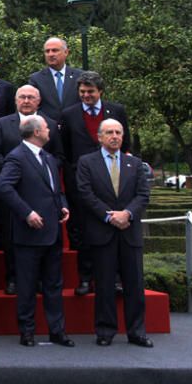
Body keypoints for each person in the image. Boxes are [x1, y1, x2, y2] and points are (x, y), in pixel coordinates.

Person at [0, 115, 75, 348]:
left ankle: (57, 331)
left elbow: (55, 189)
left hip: (53, 232)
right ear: (36, 132)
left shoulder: (49, 158)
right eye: (47, 128)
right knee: (27, 286)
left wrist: (63, 204)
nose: (50, 131)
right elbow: (4, 187)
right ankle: (27, 332)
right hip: (28, 234)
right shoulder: (16, 157)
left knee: (53, 285)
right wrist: (26, 212)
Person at [75, 119, 153, 348]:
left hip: (130, 231)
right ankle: (105, 331)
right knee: (105, 284)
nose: (115, 136)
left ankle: (137, 332)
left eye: (118, 132)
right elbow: (85, 193)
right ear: (99, 137)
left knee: (135, 284)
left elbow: (143, 195)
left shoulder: (135, 163)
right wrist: (109, 216)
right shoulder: (87, 162)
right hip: (103, 231)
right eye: (109, 132)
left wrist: (127, 214)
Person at [0, 85, 64, 295]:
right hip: (11, 192)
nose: (26, 100)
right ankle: (13, 278)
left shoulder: (49, 125)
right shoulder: (2, 124)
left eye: (31, 97)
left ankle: (40, 279)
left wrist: (38, 173)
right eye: (22, 97)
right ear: (15, 100)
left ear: (39, 101)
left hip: (42, 195)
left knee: (44, 238)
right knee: (11, 238)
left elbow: (59, 156)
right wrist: (17, 172)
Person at [59, 70, 131, 296]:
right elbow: (64, 151)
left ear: (100, 91)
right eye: (82, 92)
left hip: (112, 181)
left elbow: (126, 142)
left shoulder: (116, 111)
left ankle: (115, 279)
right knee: (82, 233)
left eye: (90, 91)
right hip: (81, 185)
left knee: (114, 232)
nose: (86, 95)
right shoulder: (68, 114)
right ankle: (85, 278)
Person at [28, 37, 83, 122]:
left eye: (55, 50)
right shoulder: (36, 79)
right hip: (48, 129)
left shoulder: (79, 76)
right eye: (47, 51)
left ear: (66, 52)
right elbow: (33, 106)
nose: (50, 54)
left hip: (74, 127)